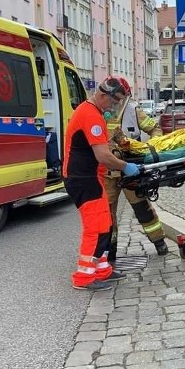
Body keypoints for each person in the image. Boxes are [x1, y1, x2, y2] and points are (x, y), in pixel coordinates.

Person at [63, 77, 141, 291]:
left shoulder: (93, 112)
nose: (115, 106)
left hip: (90, 177)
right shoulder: (90, 115)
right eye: (115, 101)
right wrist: (125, 166)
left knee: (105, 223)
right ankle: (83, 277)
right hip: (82, 179)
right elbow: (103, 156)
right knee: (94, 227)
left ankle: (102, 269)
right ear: (104, 95)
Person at [104, 76, 170, 270]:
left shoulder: (133, 110)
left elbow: (155, 129)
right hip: (107, 172)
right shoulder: (98, 111)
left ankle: (159, 242)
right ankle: (110, 250)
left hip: (130, 167)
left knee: (142, 207)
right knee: (107, 215)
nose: (118, 102)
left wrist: (148, 149)